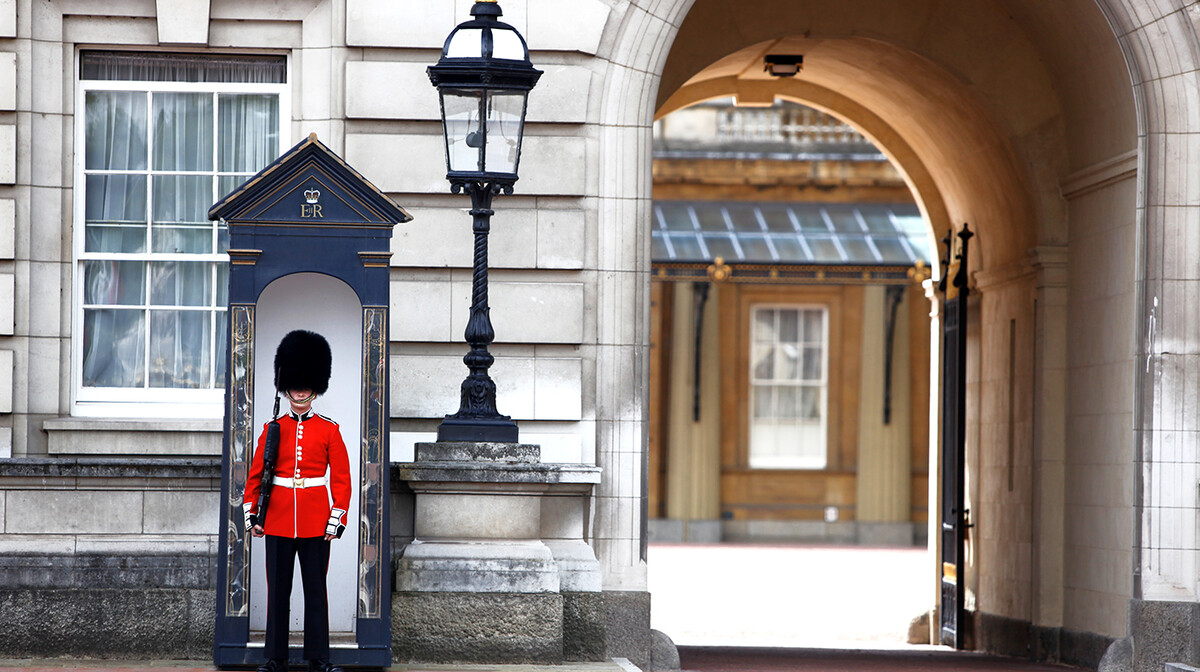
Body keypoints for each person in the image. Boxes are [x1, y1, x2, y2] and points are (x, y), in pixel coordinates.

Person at [243, 330, 351, 672]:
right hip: (276, 519)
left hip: (316, 522)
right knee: (279, 593)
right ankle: (275, 658)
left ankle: (319, 659)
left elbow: (342, 479)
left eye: (306, 384)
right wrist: (253, 514)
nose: (300, 390)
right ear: (286, 386)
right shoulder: (271, 427)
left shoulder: (329, 430)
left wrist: (337, 518)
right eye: (294, 384)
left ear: (316, 387)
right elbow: (257, 475)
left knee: (316, 592)